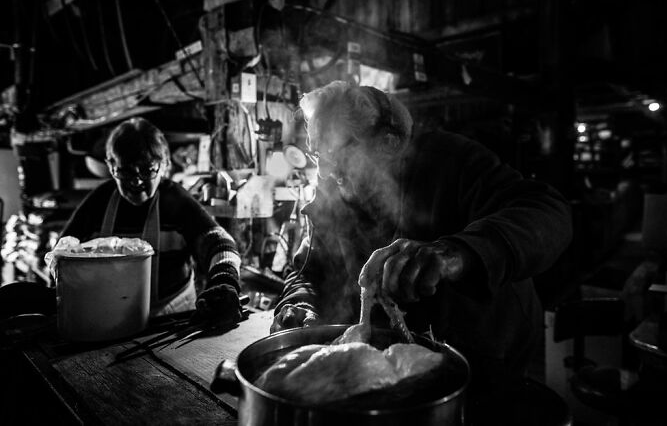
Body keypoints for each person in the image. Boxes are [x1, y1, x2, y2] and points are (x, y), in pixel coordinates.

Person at [271, 80, 573, 396]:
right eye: (318, 152)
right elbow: (307, 271)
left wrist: (455, 254)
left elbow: (547, 211)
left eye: (336, 151)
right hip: (388, 368)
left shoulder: (450, 160)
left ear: (387, 143)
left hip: (479, 362)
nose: (324, 170)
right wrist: (298, 302)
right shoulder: (333, 193)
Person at [60, 117, 242, 323]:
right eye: (125, 170)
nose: (136, 181)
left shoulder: (175, 201)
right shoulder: (98, 203)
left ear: (164, 165)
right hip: (109, 320)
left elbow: (220, 243)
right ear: (111, 166)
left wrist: (224, 280)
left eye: (147, 170)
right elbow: (63, 257)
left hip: (171, 320)